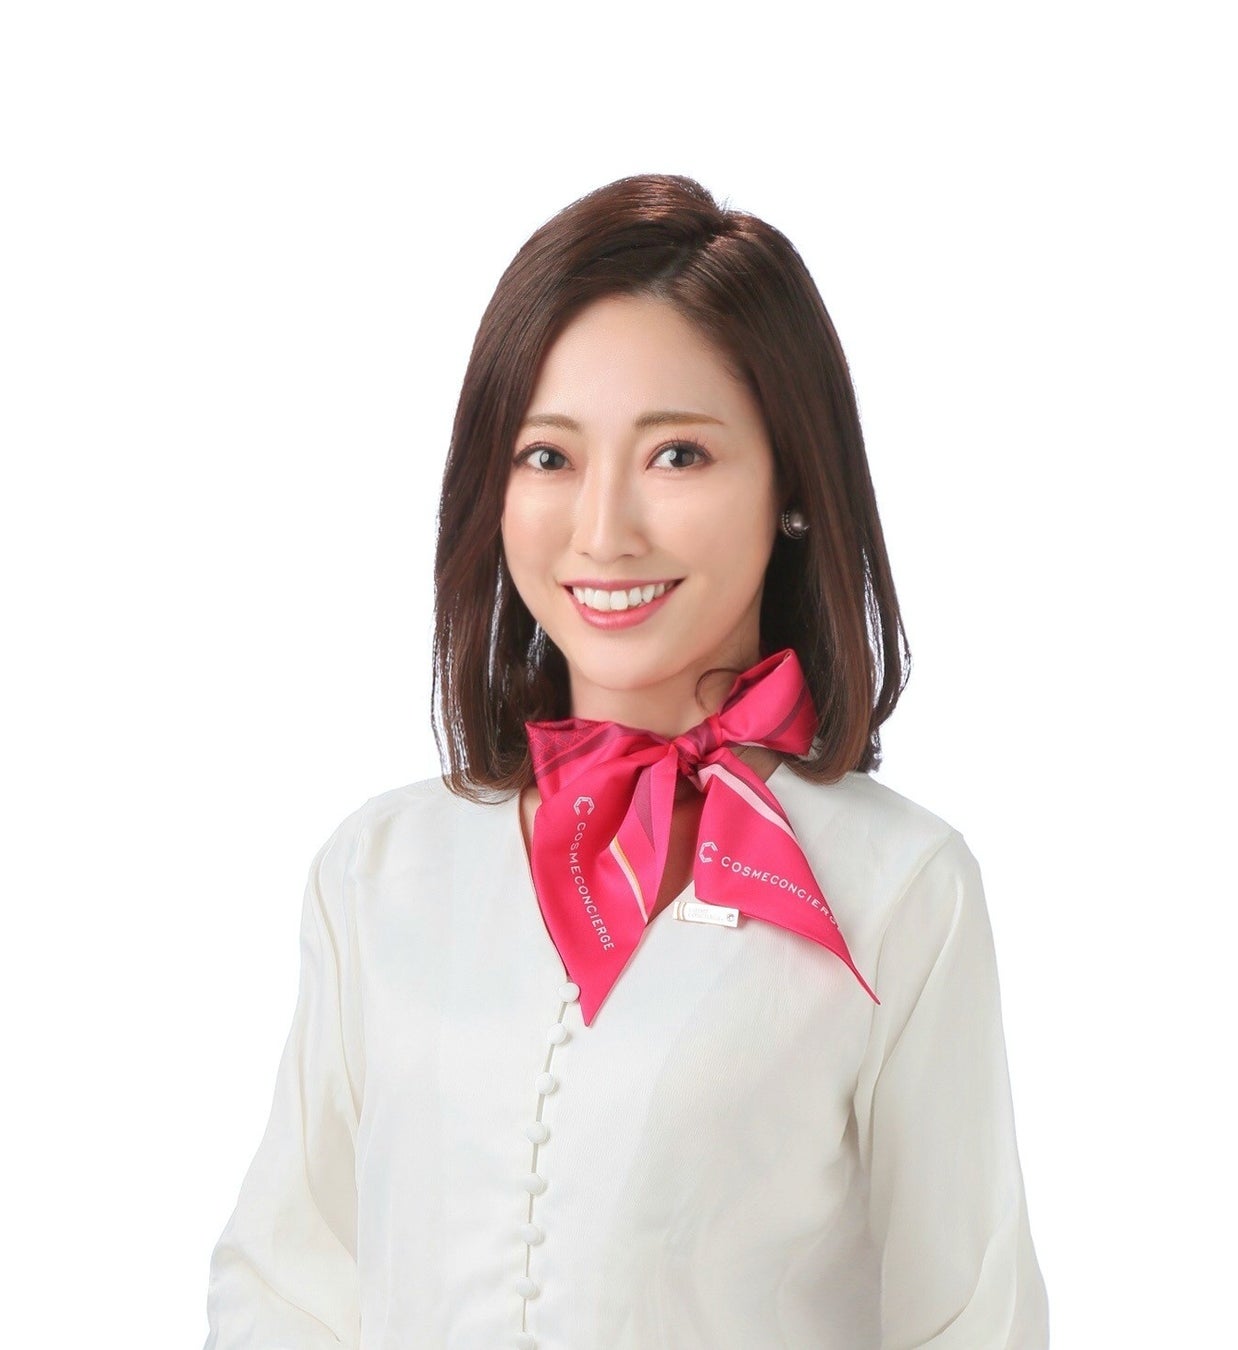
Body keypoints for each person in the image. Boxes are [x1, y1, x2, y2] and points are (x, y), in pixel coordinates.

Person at [202, 173, 1048, 1349]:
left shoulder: (899, 890)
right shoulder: (377, 871)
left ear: (794, 484)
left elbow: (966, 1320)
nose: (603, 531)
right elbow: (288, 1289)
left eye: (677, 455)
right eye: (547, 457)